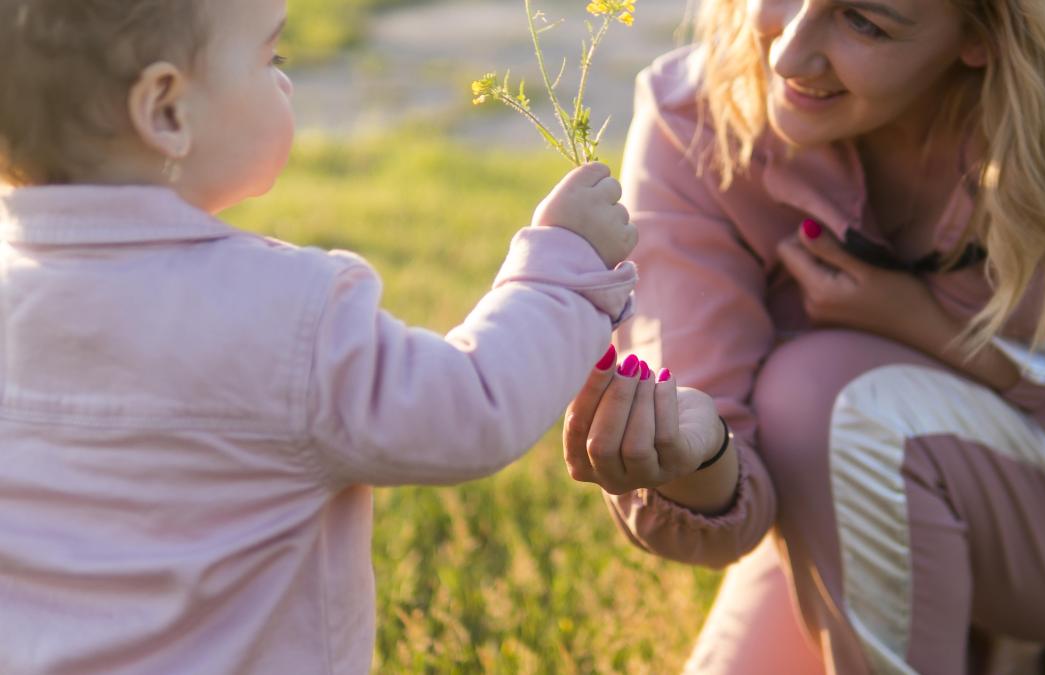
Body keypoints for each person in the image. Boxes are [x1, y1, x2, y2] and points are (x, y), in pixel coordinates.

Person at [562, 0, 1045, 672]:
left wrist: (932, 327)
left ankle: (1018, 630)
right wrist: (696, 452)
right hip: (844, 483)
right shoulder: (693, 117)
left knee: (822, 394)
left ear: (982, 34)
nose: (784, 54)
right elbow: (728, 508)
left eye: (865, 21)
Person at [0, 0, 637, 672]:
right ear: (166, 110)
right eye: (270, 57)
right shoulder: (285, 315)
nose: (285, 83)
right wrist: (563, 273)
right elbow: (469, 406)